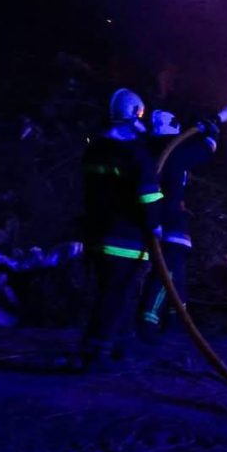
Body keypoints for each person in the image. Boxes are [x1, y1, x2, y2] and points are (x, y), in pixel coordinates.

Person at [81, 88, 163, 367]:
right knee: (119, 295)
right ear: (135, 113)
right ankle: (99, 352)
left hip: (96, 234)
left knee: (107, 293)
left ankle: (109, 346)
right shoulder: (136, 154)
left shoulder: (95, 150)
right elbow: (149, 195)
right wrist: (156, 226)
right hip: (127, 237)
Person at [138, 109, 219, 339]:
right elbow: (207, 149)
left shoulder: (148, 151)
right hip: (169, 222)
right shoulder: (173, 152)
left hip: (159, 221)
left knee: (177, 275)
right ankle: (149, 323)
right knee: (168, 276)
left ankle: (175, 324)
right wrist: (212, 130)